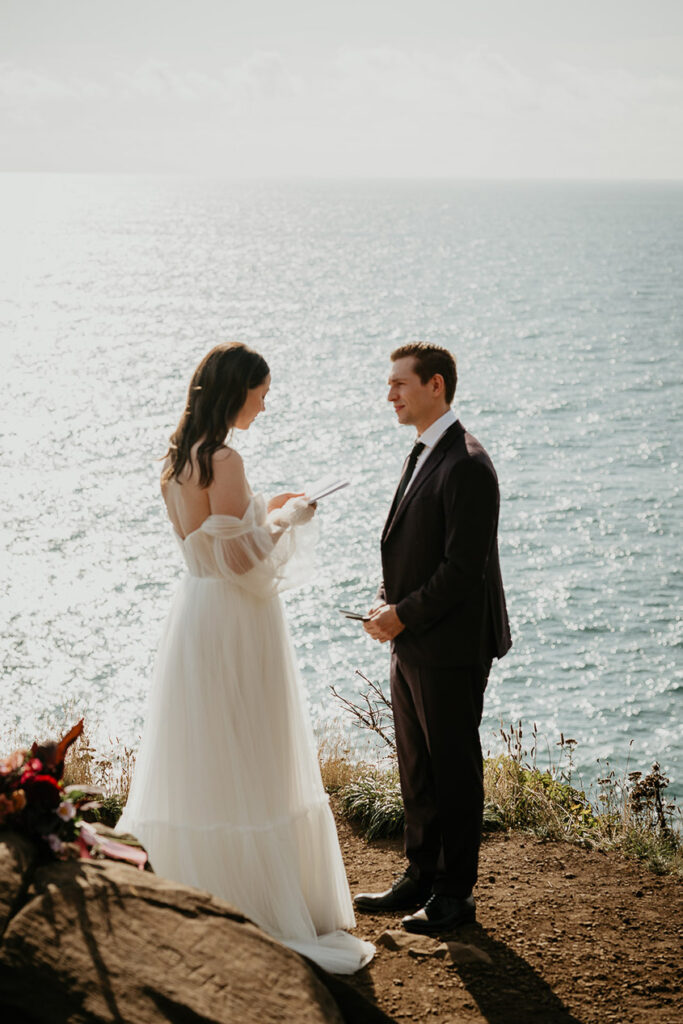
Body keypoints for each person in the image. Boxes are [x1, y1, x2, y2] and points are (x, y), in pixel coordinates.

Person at [117, 342, 373, 974]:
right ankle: (258, 901)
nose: (266, 401)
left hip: (196, 615)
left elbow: (212, 541)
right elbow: (240, 559)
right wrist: (291, 517)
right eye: (261, 391)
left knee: (205, 750)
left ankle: (188, 884)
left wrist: (267, 508)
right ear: (237, 391)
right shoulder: (225, 457)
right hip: (235, 620)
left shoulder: (179, 459)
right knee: (252, 748)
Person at [354, 342, 511, 935]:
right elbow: (414, 548)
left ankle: (455, 894)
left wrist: (402, 615)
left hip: (449, 645)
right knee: (418, 765)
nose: (389, 394)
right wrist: (383, 601)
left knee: (452, 767)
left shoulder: (468, 463)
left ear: (436, 385)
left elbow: (460, 572)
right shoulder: (425, 451)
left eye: (399, 384)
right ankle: (420, 875)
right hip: (414, 638)